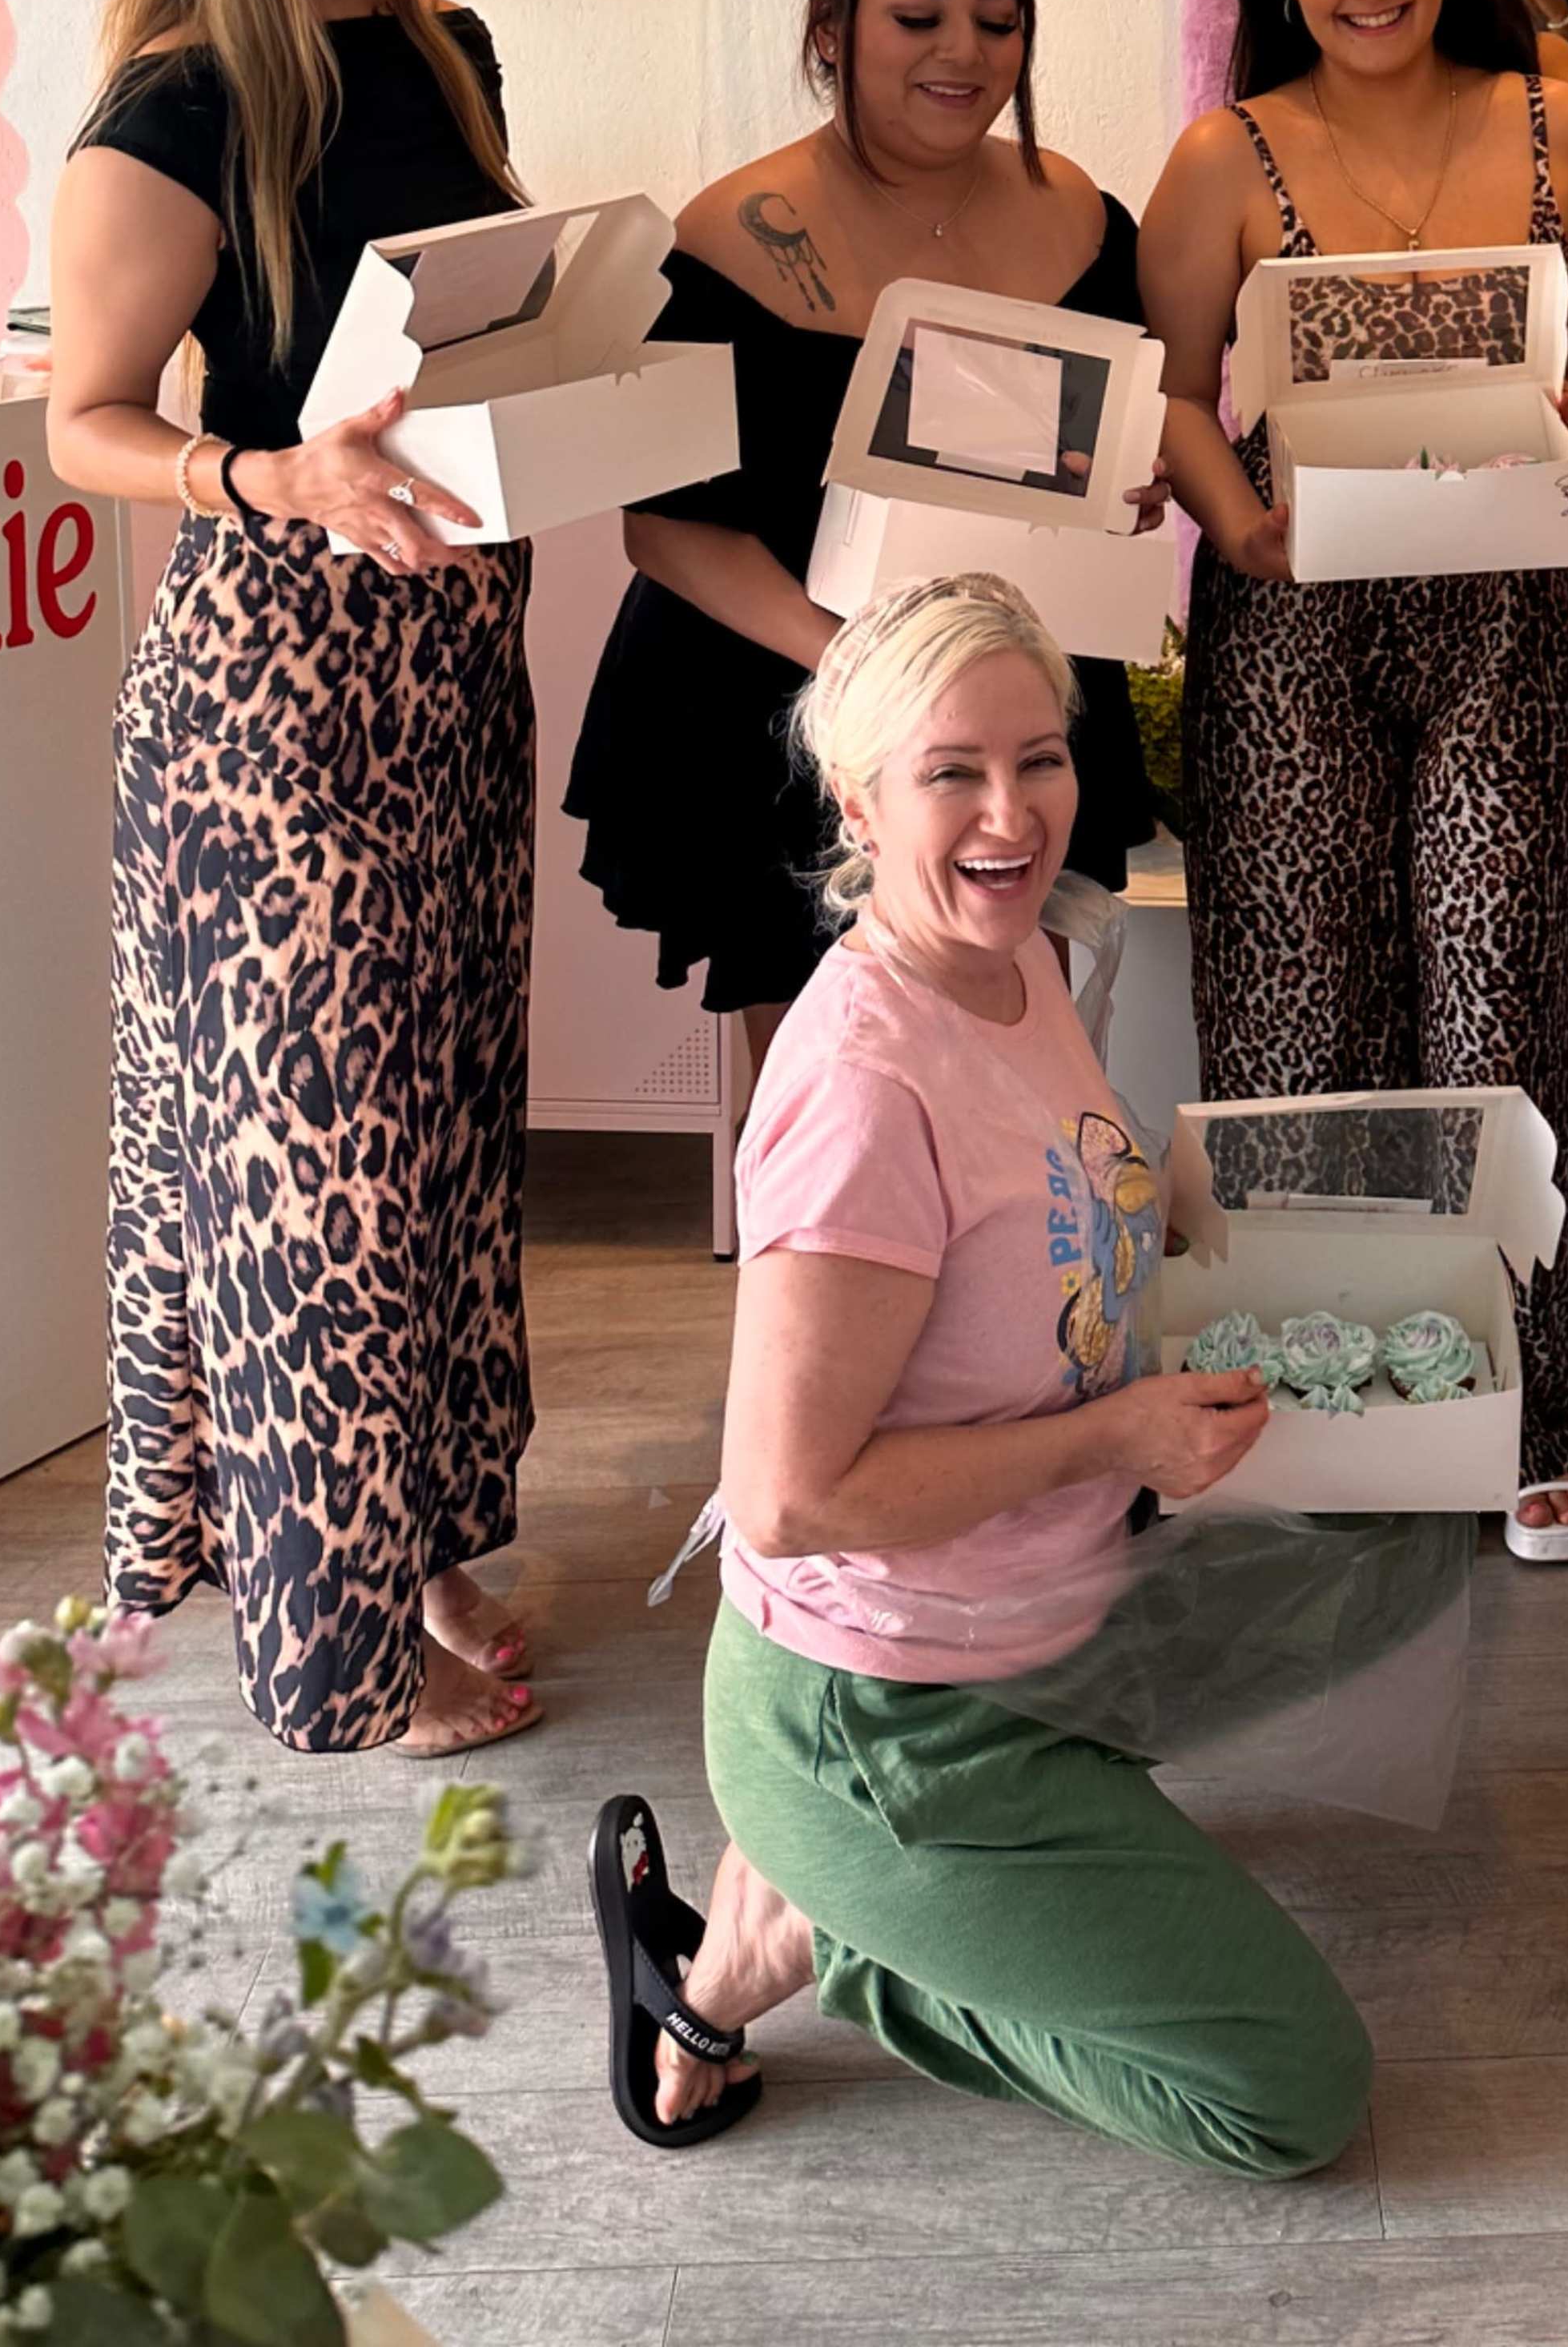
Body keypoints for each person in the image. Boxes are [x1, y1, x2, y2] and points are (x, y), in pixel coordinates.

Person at [586, 574, 1374, 2177]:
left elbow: (1026, 1222)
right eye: (954, 772)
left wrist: (1179, 1204)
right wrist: (1115, 1437)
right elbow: (791, 1498)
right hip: (889, 1712)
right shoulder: (868, 1079)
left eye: (1044, 756)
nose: (1014, 813)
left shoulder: (1011, 965)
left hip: (1039, 1629)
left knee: (1395, 1549)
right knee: (1292, 2096)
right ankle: (830, 1939)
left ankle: (859, 1888)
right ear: (859, 798)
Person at [50, 0, 539, 1758]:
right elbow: (85, 426)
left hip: (451, 667)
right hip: (272, 697)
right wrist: (265, 475)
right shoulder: (172, 108)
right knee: (315, 1172)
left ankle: (401, 1544)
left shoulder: (448, 49)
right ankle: (333, 1659)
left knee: (427, 1145)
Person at [1139, 0, 1568, 1555]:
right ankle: (1313, 1403)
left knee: (1505, 996)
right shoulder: (1224, 155)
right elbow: (1177, 386)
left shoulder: (1551, 124)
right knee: (1292, 1011)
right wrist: (1242, 530)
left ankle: (1528, 1408)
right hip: (1293, 611)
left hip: (1494, 598)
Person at [565, 0, 1157, 1023]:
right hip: (789, 701)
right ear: (833, 31)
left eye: (998, 21)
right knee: (831, 1088)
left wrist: (1142, 485)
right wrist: (864, 677)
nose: (965, 53)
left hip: (1013, 700)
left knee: (1017, 1054)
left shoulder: (1081, 213)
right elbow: (667, 525)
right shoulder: (730, 237)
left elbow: (1118, 441)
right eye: (918, 17)